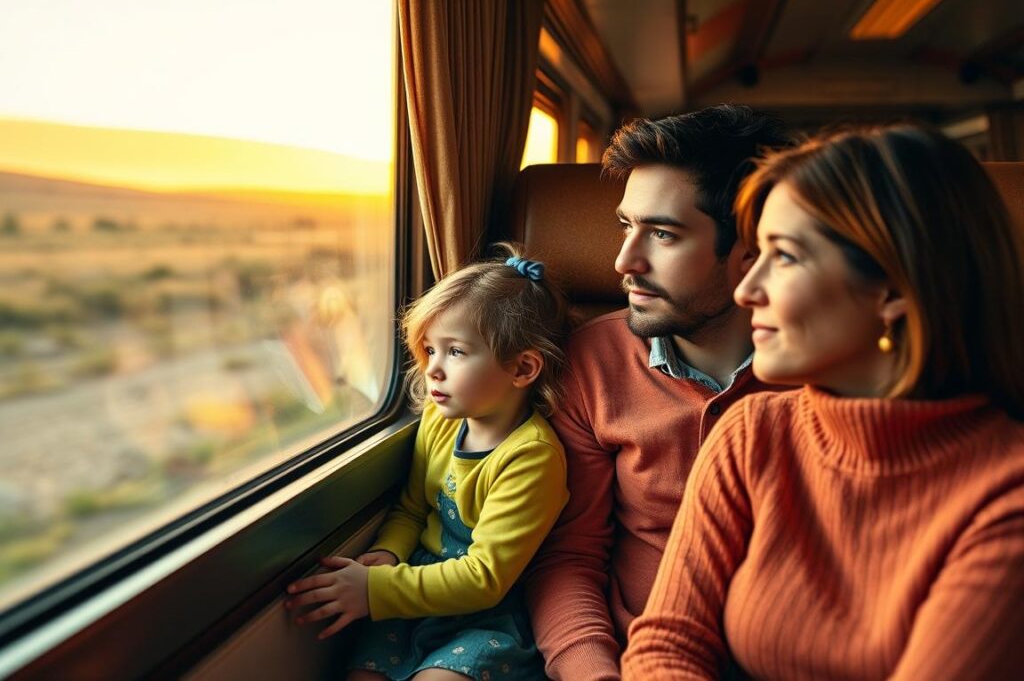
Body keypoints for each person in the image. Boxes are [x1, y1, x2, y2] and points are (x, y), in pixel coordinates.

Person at [622, 125, 1024, 679]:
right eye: (756, 253)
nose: (746, 290)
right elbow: (667, 646)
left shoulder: (1007, 496)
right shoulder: (752, 432)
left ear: (892, 291)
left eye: (783, 257)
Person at [524, 104, 793, 680]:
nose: (624, 261)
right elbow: (571, 557)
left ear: (750, 248)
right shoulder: (590, 361)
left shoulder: (834, 366)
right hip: (632, 657)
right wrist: (593, 672)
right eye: (627, 225)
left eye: (663, 234)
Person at [285, 244, 572, 681]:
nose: (432, 369)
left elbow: (484, 578)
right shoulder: (440, 421)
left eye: (455, 351)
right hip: (413, 596)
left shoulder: (531, 457)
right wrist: (387, 552)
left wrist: (375, 591)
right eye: (430, 349)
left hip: (484, 617)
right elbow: (412, 508)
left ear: (522, 369)